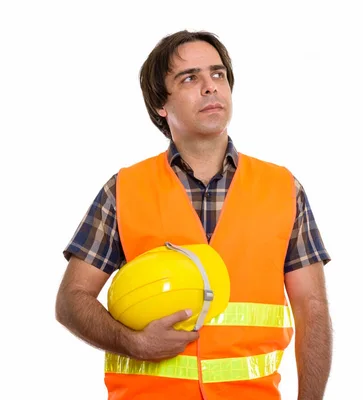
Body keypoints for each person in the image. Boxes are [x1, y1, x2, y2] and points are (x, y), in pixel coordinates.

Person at [55, 30, 333, 400]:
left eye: (218, 75)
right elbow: (72, 299)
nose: (210, 87)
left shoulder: (283, 188)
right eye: (190, 78)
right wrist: (134, 344)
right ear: (160, 104)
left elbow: (311, 309)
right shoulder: (123, 189)